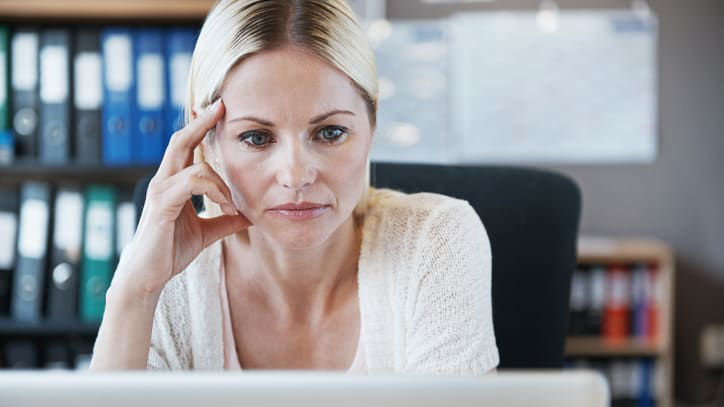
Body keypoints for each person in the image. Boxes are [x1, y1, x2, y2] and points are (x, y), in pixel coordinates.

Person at [89, 0, 498, 373]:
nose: (297, 175)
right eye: (257, 138)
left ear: (372, 124)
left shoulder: (435, 241)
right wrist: (136, 290)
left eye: (330, 132)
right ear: (206, 139)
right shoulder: (172, 281)